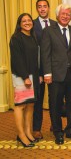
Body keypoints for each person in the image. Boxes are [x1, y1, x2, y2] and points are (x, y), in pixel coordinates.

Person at [41, 4, 71, 145]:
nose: (66, 16)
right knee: (55, 104)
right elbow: (45, 54)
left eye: (68, 14)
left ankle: (70, 130)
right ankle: (58, 132)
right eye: (63, 14)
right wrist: (47, 73)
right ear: (57, 15)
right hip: (55, 75)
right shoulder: (48, 31)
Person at [10, 13, 39, 147]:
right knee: (20, 105)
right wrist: (25, 77)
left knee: (30, 105)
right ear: (19, 23)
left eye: (29, 20)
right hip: (22, 77)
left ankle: (28, 132)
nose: (27, 22)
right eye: (24, 21)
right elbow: (17, 59)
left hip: (33, 76)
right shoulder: (16, 38)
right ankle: (21, 135)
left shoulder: (32, 37)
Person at [32, 0, 57, 139]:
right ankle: (36, 128)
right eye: (39, 7)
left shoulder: (55, 24)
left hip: (53, 69)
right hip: (37, 70)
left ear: (48, 8)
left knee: (55, 99)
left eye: (45, 6)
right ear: (37, 9)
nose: (42, 9)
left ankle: (55, 124)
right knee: (38, 101)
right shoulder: (31, 24)